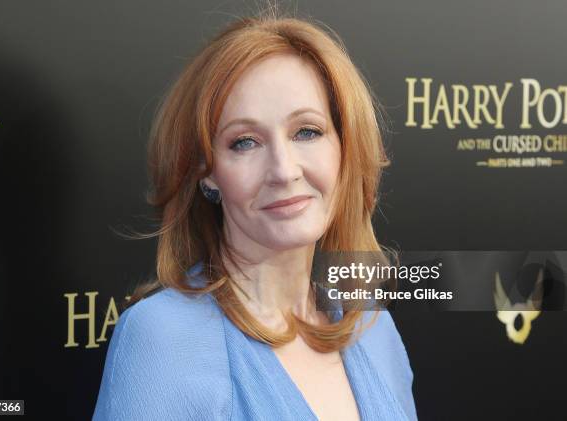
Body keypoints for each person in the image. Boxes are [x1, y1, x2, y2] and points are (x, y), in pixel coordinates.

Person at [93, 11, 416, 421]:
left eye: (307, 132)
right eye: (244, 142)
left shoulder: (369, 325)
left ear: (344, 148)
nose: (284, 170)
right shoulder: (164, 339)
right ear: (206, 173)